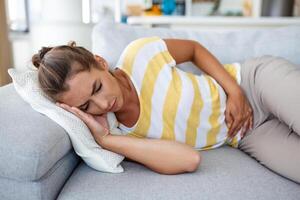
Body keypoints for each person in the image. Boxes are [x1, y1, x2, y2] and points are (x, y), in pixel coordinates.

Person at [32, 37, 300, 183]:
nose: (102, 105)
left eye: (97, 87)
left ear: (100, 63)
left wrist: (235, 91)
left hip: (253, 83)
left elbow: (194, 49)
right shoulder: (123, 132)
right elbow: (188, 160)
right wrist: (106, 140)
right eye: (86, 106)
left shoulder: (140, 54)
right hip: (245, 134)